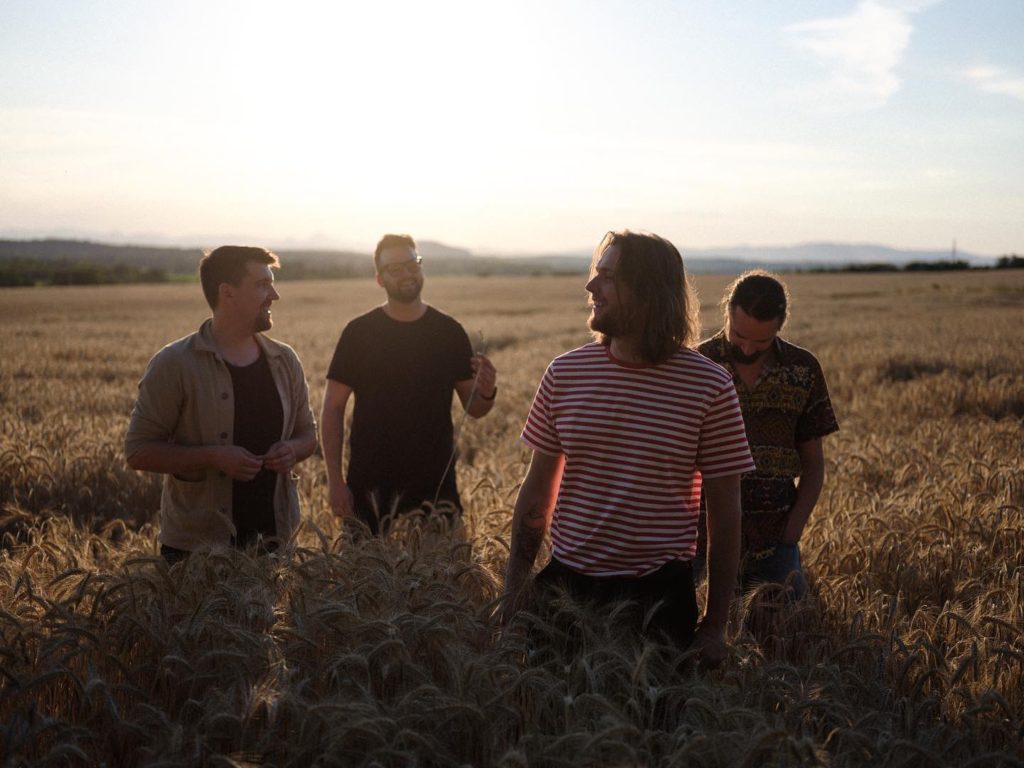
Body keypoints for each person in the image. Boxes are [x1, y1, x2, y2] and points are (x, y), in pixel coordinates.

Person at [501, 230, 755, 667]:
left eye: (607, 277)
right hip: (565, 590)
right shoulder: (564, 374)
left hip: (657, 600)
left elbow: (725, 511)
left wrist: (715, 625)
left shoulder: (709, 386)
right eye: (594, 273)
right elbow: (538, 492)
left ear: (648, 291)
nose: (590, 286)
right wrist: (512, 597)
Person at [125, 246, 318, 562]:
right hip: (196, 551)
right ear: (228, 293)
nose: (274, 295)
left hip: (276, 542)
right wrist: (214, 457)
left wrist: (291, 450)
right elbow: (138, 451)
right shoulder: (174, 363)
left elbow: (308, 435)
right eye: (262, 285)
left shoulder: (284, 360)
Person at [321, 234, 497, 534]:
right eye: (395, 268)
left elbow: (475, 409)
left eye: (412, 264)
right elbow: (332, 409)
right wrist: (335, 482)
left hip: (436, 487)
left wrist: (488, 390)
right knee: (364, 564)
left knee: (442, 561)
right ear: (380, 279)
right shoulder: (358, 334)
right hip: (369, 486)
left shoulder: (449, 332)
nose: (407, 273)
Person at [696, 270, 839, 600]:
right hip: (701, 537)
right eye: (738, 335)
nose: (747, 348)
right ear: (726, 312)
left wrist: (791, 532)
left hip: (775, 539)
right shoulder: (697, 364)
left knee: (787, 623)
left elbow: (814, 464)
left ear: (780, 326)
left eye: (760, 341)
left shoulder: (802, 370)